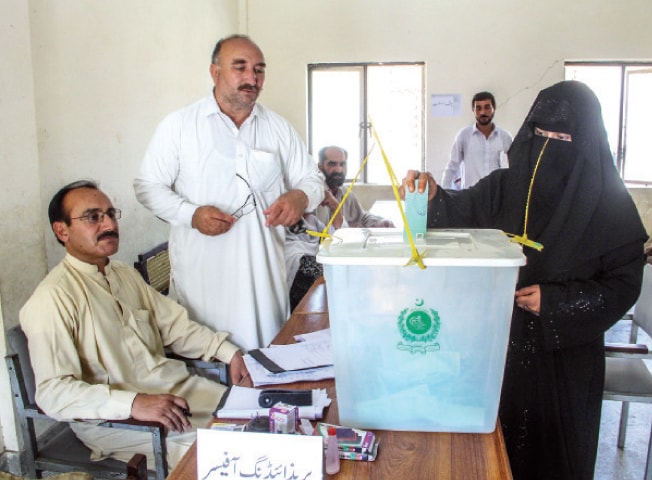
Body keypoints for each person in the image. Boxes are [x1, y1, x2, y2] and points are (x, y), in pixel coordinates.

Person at [401, 81, 648, 480]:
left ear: (586, 141)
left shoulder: (610, 205)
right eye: (540, 134)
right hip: (502, 344)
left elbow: (622, 285)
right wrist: (433, 197)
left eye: (563, 137)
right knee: (496, 448)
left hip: (566, 358)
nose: (549, 146)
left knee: (557, 454)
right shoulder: (507, 185)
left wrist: (556, 301)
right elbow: (460, 209)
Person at [20, 180, 249, 470]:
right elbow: (53, 393)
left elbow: (175, 327)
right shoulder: (53, 298)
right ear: (61, 230)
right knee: (226, 459)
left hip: (180, 393)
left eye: (111, 214)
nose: (108, 223)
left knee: (262, 422)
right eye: (93, 217)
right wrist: (133, 403)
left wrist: (229, 353)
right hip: (120, 422)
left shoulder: (123, 274)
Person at [134, 34, 324, 350]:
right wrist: (190, 215)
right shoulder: (180, 126)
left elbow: (312, 179)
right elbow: (147, 187)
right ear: (215, 71)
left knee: (266, 367)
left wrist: (299, 197)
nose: (252, 78)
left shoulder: (278, 128)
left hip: (262, 284)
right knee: (206, 370)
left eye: (259, 70)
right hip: (202, 286)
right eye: (240, 67)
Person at [285, 145, 395, 310]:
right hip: (311, 260)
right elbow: (324, 237)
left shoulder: (345, 193)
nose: (338, 169)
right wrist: (343, 225)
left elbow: (360, 218)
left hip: (330, 255)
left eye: (342, 164)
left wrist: (379, 223)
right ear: (319, 167)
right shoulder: (312, 196)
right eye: (332, 164)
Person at [440, 91, 513, 190]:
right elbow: (452, 166)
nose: (483, 112)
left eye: (487, 107)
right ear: (473, 111)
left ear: (494, 108)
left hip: (496, 197)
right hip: (470, 197)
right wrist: (444, 194)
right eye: (478, 108)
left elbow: (515, 167)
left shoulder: (505, 137)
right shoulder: (464, 135)